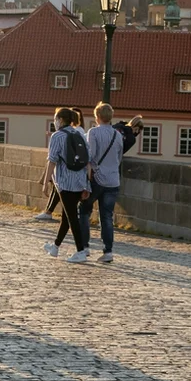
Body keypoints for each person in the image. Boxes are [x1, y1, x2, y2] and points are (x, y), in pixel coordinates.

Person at [43, 107, 91, 263]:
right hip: (79, 181)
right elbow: (87, 161)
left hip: (65, 182)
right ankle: (55, 247)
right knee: (66, 216)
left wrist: (45, 182)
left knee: (71, 217)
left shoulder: (57, 136)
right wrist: (87, 184)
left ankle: (81, 251)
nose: (55, 122)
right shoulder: (80, 134)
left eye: (56, 119)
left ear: (61, 120)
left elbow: (52, 160)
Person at [78, 102, 123, 264]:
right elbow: (119, 158)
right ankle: (108, 251)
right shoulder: (117, 135)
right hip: (113, 180)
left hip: (97, 178)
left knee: (83, 210)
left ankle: (84, 246)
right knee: (107, 217)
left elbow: (91, 156)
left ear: (97, 117)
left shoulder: (94, 132)